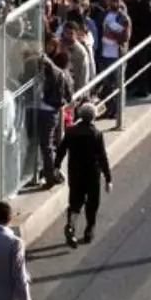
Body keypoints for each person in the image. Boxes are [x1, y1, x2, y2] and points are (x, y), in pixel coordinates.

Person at [53, 102, 113, 248]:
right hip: (92, 173)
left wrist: (56, 165)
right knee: (92, 202)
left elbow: (61, 149)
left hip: (75, 172)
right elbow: (102, 157)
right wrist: (108, 178)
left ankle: (71, 226)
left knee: (75, 201)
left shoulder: (71, 131)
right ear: (93, 117)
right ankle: (89, 229)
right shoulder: (96, 134)